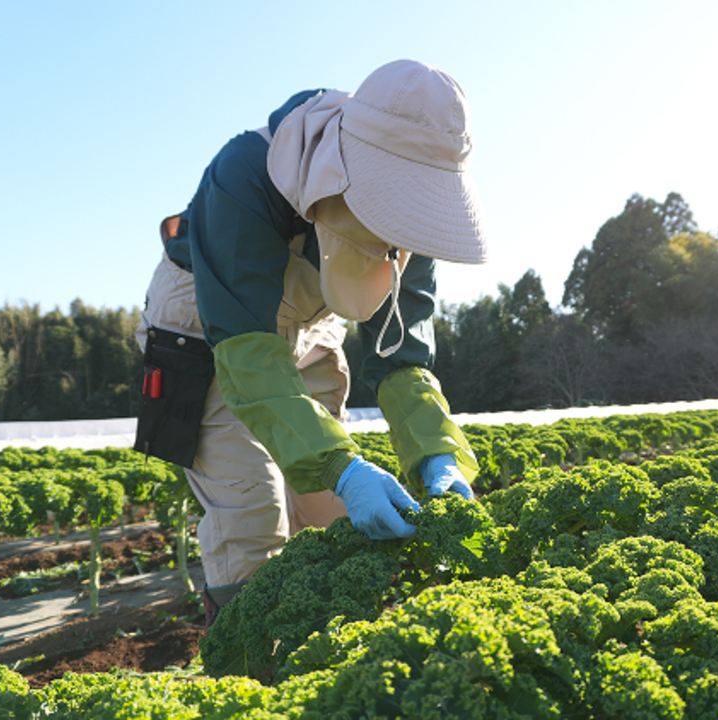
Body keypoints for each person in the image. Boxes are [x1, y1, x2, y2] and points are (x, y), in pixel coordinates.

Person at [134, 60, 488, 627]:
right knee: (253, 512)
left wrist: (436, 454)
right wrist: (343, 466)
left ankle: (339, 658)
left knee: (337, 515)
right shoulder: (245, 175)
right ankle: (251, 671)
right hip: (210, 325)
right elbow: (248, 357)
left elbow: (403, 356)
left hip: (310, 323)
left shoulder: (412, 224)